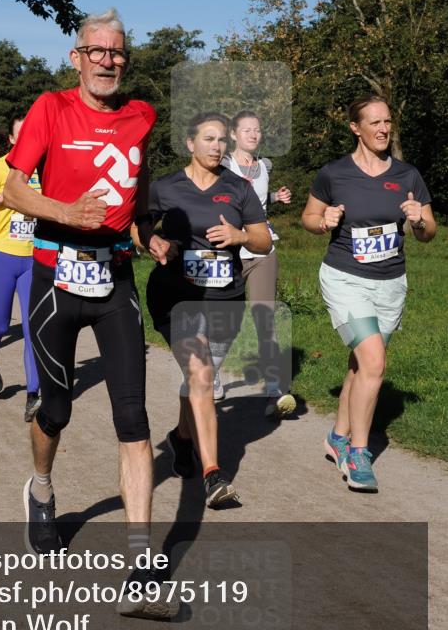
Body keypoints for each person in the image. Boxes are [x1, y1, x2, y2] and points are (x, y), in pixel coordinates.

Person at [4, 9, 176, 621]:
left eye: (117, 51)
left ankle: (141, 569)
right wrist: (65, 211)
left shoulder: (142, 116)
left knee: (133, 417)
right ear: (76, 57)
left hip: (115, 279)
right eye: (96, 51)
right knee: (56, 409)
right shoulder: (50, 109)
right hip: (54, 276)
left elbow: (137, 183)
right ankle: (41, 488)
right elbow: (13, 189)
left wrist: (146, 231)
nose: (108, 60)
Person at [302, 95, 436, 492]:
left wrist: (418, 221)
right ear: (355, 128)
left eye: (387, 121)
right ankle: (358, 453)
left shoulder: (408, 175)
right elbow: (309, 217)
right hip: (345, 278)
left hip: (391, 283)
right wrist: (322, 221)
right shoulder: (334, 173)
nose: (383, 129)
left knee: (361, 366)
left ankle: (337, 436)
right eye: (374, 122)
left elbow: (428, 233)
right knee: (374, 362)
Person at [140, 112, 271, 507]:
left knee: (199, 377)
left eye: (221, 141)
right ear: (190, 143)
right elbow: (137, 223)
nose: (217, 147)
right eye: (209, 139)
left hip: (225, 299)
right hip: (176, 296)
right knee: (201, 373)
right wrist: (152, 242)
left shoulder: (238, 188)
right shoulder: (166, 187)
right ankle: (213, 473)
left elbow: (263, 240)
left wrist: (239, 235)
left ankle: (181, 437)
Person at [222, 110, 296, 419]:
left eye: (257, 130)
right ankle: (213, 375)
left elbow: (257, 202)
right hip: (229, 251)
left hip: (263, 248)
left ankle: (274, 389)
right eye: (247, 130)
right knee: (225, 320)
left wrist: (275, 198)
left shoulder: (265, 166)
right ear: (233, 134)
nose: (253, 134)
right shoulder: (222, 165)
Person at [0, 116, 42, 422]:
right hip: (0, 257)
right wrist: (5, 195)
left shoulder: (44, 169)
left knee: (31, 330)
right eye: (22, 134)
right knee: (1, 326)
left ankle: (33, 395)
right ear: (13, 140)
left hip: (33, 260)